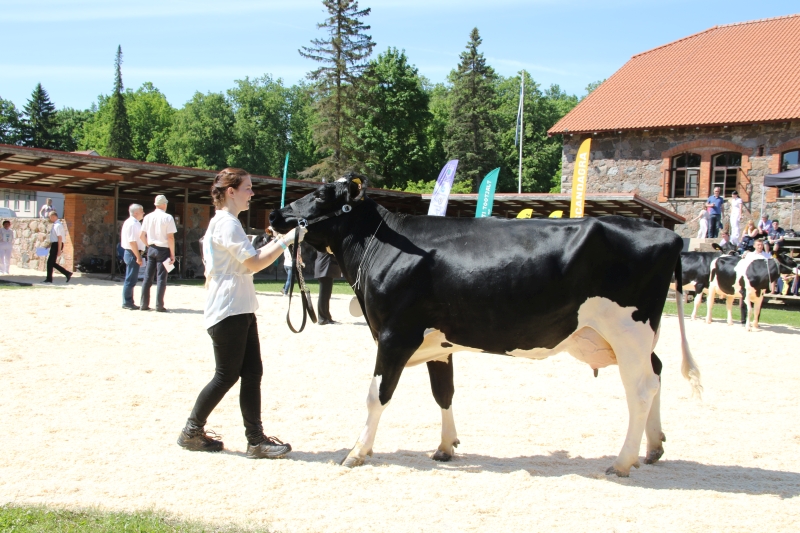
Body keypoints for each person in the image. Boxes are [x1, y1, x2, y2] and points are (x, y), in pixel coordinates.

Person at [178, 167, 306, 458]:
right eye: (247, 188)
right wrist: (286, 239)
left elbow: (247, 261)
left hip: (239, 306)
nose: (252, 193)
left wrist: (279, 241)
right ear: (230, 192)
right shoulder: (226, 224)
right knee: (226, 375)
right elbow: (254, 263)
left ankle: (255, 440)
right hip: (229, 308)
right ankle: (191, 431)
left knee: (251, 373)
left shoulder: (227, 223)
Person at [139, 195, 177, 312]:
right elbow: (170, 237)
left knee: (147, 277)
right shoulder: (168, 217)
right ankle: (159, 305)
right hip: (163, 249)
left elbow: (141, 235)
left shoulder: (148, 217)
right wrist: (172, 254)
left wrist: (148, 245)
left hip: (151, 248)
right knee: (161, 278)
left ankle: (143, 304)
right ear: (164, 204)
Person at [120, 204, 145, 310]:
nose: (143, 213)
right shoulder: (132, 223)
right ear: (135, 213)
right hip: (132, 253)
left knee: (132, 279)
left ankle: (129, 301)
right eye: (141, 211)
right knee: (130, 279)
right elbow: (132, 242)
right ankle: (127, 302)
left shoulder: (134, 223)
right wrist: (138, 256)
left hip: (133, 252)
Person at [43, 211, 72, 283]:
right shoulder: (55, 225)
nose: (49, 218)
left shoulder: (58, 225)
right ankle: (67, 273)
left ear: (53, 216)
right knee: (51, 262)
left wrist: (59, 250)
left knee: (50, 262)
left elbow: (60, 238)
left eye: (50, 217)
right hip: (55, 244)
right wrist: (50, 245)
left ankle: (49, 279)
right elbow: (55, 238)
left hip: (57, 244)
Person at [315, 248, 342, 325]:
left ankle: (327, 317)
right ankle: (322, 318)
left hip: (326, 269)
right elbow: (331, 250)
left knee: (326, 295)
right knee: (323, 295)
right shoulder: (324, 245)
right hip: (324, 268)